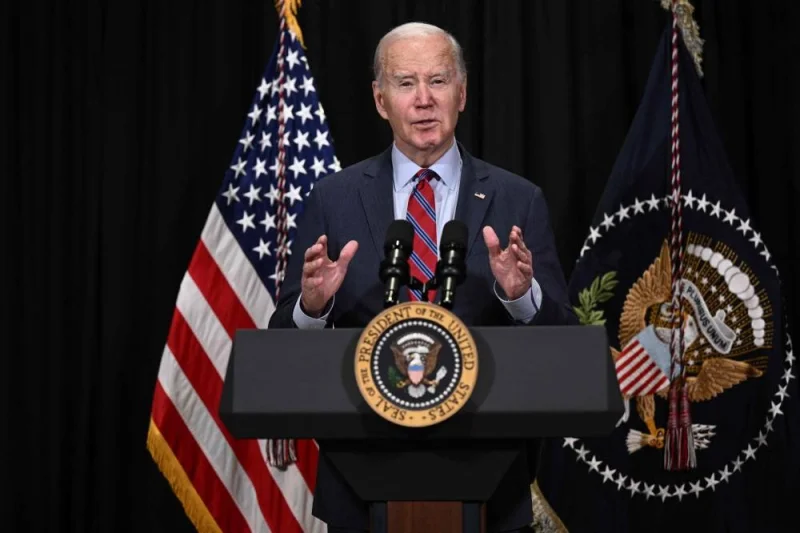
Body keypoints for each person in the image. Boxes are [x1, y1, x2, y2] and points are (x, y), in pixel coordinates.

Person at [269, 21, 575, 533]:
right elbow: (282, 342)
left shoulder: (517, 199)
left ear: (462, 93)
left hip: (487, 479)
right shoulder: (334, 199)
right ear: (380, 99)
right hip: (361, 478)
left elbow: (563, 340)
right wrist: (314, 306)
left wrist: (522, 297)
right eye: (405, 83)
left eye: (437, 81)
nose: (424, 99)